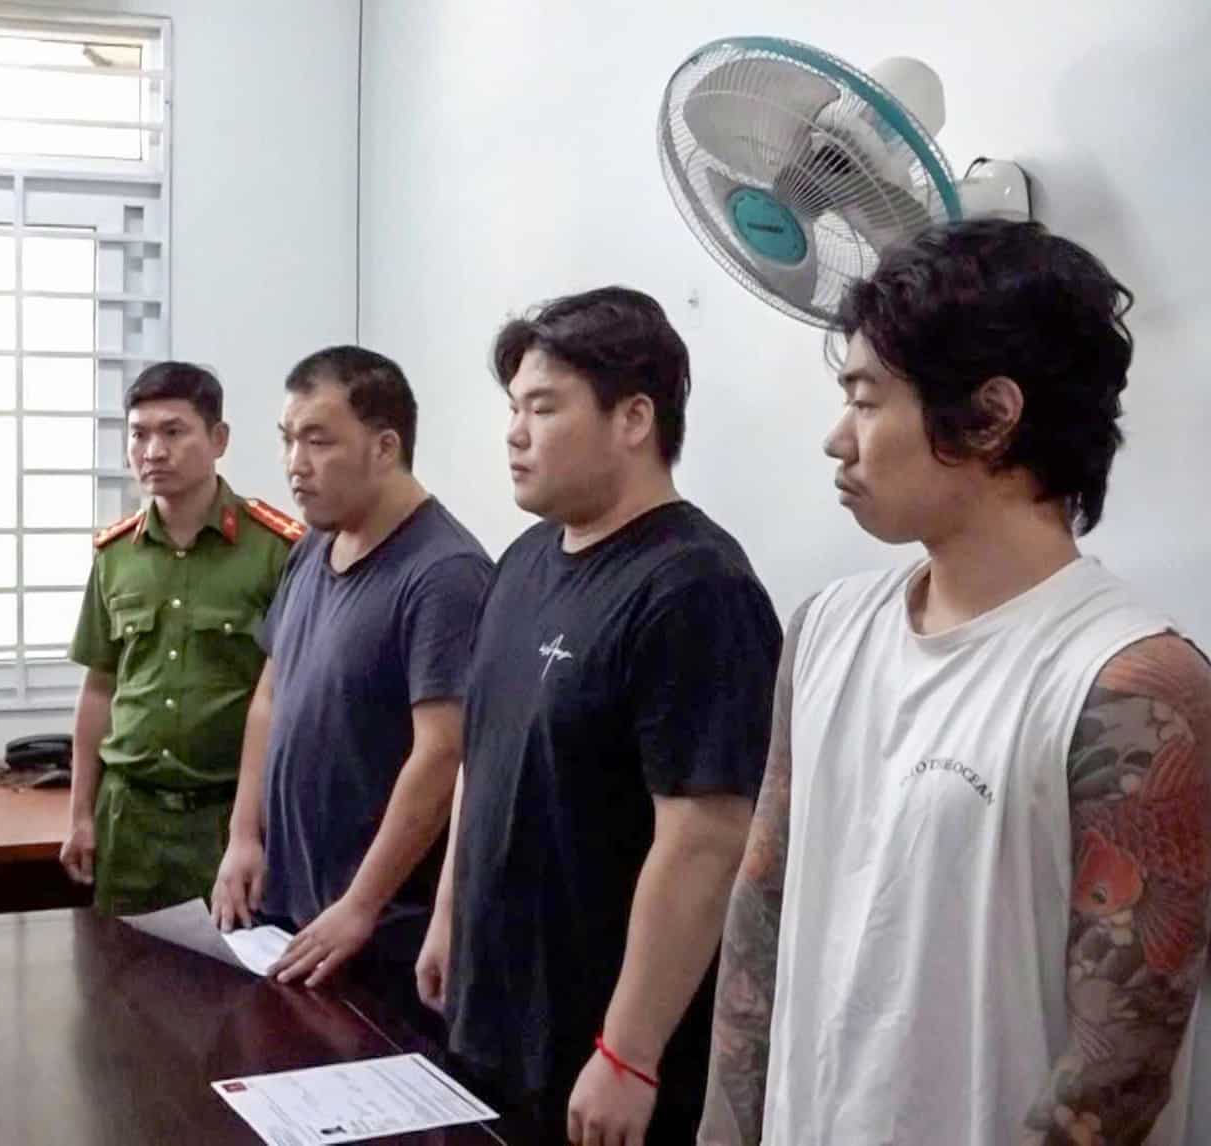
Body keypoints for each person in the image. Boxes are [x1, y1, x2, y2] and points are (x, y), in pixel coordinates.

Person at [701, 220, 1211, 1144]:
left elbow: (1119, 1070)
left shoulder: (1134, 686)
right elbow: (760, 917)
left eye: (866, 401)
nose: (837, 440)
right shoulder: (824, 631)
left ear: (990, 416)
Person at [416, 289, 781, 1145]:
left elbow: (706, 838)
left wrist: (628, 1052)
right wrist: (448, 914)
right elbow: (482, 757)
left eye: (543, 408)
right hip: (493, 1015)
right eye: (513, 408)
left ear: (633, 419)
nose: (515, 433)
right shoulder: (523, 560)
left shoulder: (696, 588)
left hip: (603, 1053)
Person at [212, 346, 491, 1022]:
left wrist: (362, 905)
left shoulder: (444, 573)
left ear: (385, 447)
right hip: (290, 909)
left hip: (377, 930)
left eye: (318, 440)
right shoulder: (314, 545)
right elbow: (270, 696)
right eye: (288, 439)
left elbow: (443, 754)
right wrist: (244, 836)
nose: (294, 464)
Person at [62, 362, 300, 915]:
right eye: (139, 435)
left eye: (173, 432)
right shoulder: (115, 556)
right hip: (129, 818)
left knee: (233, 967)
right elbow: (99, 689)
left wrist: (251, 831)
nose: (153, 451)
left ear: (218, 440)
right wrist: (79, 814)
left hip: (229, 819)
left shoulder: (277, 551)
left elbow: (287, 700)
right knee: (116, 966)